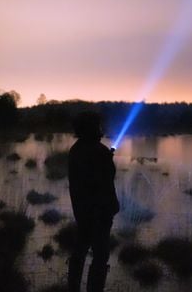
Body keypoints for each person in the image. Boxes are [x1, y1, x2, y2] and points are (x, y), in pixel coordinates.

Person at [68, 111, 120, 292]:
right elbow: (105, 181)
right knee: (100, 256)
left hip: (82, 212)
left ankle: (72, 287)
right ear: (91, 128)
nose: (101, 129)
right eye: (98, 125)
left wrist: (106, 159)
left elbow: (84, 180)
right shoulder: (99, 151)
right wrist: (107, 160)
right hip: (99, 214)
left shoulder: (76, 150)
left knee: (79, 251)